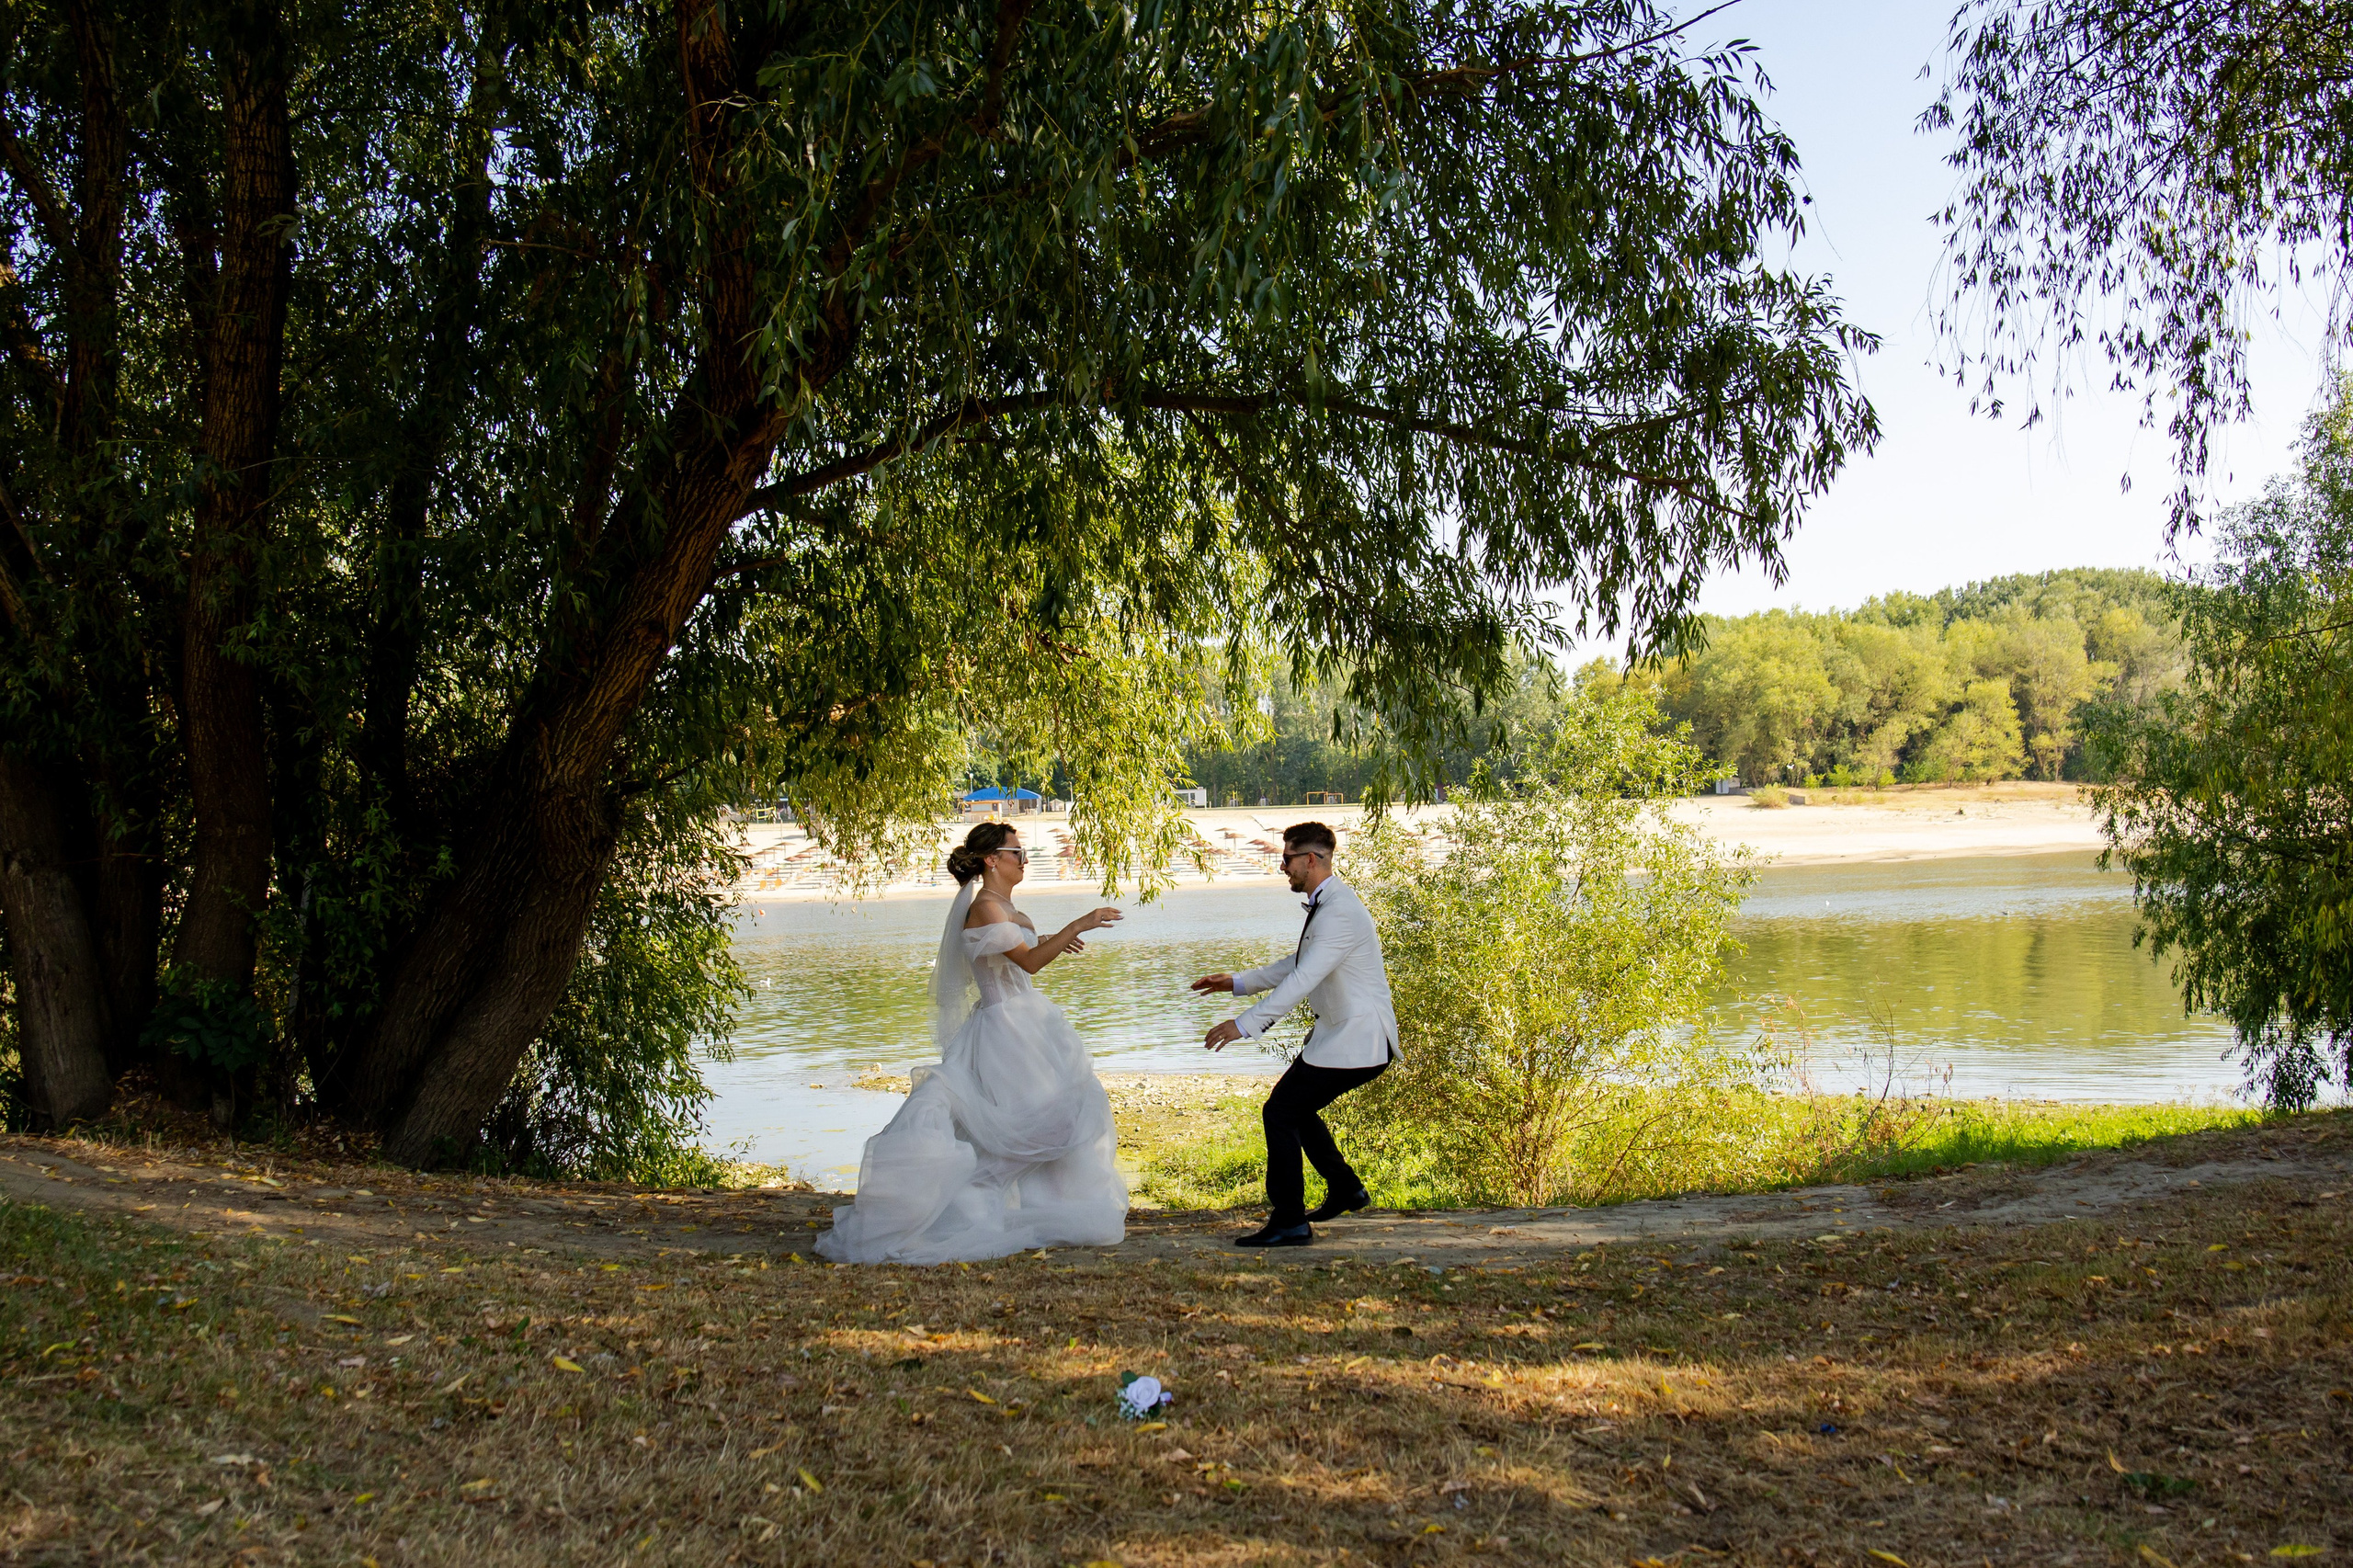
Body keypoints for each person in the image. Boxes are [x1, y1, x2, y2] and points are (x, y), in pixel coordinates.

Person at [814, 823, 1128, 1264]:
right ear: (991, 860)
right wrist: (1081, 922)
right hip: (1007, 1029)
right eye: (1016, 852)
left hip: (1029, 1022)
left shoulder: (1002, 904)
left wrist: (1055, 940)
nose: (1024, 860)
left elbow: (1024, 954)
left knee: (1063, 1113)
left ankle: (1043, 1207)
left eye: (1024, 852)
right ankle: (972, 1199)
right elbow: (1030, 963)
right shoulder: (983, 907)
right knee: (1031, 1124)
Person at [1190, 821, 1399, 1247]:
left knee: (1281, 1112)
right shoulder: (1330, 903)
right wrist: (1237, 982)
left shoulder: (1338, 909)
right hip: (1343, 1037)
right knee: (1294, 1111)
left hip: (1358, 1040)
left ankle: (1290, 1220)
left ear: (1310, 860)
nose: (1282, 866)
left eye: (1286, 858)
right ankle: (1345, 1189)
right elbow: (1298, 962)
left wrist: (1243, 1025)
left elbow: (1303, 979)